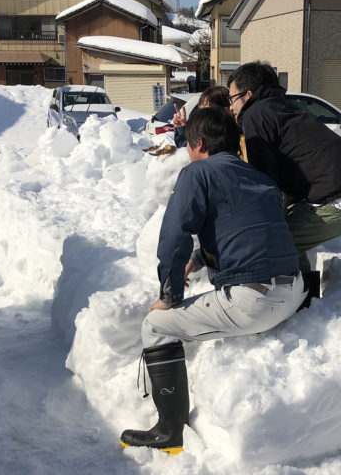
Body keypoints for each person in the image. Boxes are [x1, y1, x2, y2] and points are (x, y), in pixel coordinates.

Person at [120, 107, 305, 455]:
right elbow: (247, 232)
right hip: (292, 290)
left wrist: (170, 294)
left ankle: (169, 432)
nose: (188, 153)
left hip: (255, 301)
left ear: (200, 143)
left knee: (156, 325)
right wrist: (198, 260)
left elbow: (174, 236)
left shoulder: (198, 173)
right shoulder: (260, 177)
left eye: (189, 147)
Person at [227, 61, 341, 286]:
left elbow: (265, 179)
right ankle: (303, 295)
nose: (231, 107)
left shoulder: (256, 114)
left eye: (232, 99)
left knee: (282, 240)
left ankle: (303, 301)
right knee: (287, 231)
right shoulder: (280, 107)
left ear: (248, 94)